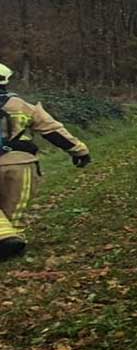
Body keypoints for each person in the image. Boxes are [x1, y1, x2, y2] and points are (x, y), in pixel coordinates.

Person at [0, 62, 93, 263]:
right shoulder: (22, 106)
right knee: (14, 215)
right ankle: (11, 246)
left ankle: (6, 241)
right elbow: (53, 131)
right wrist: (80, 151)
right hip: (21, 165)